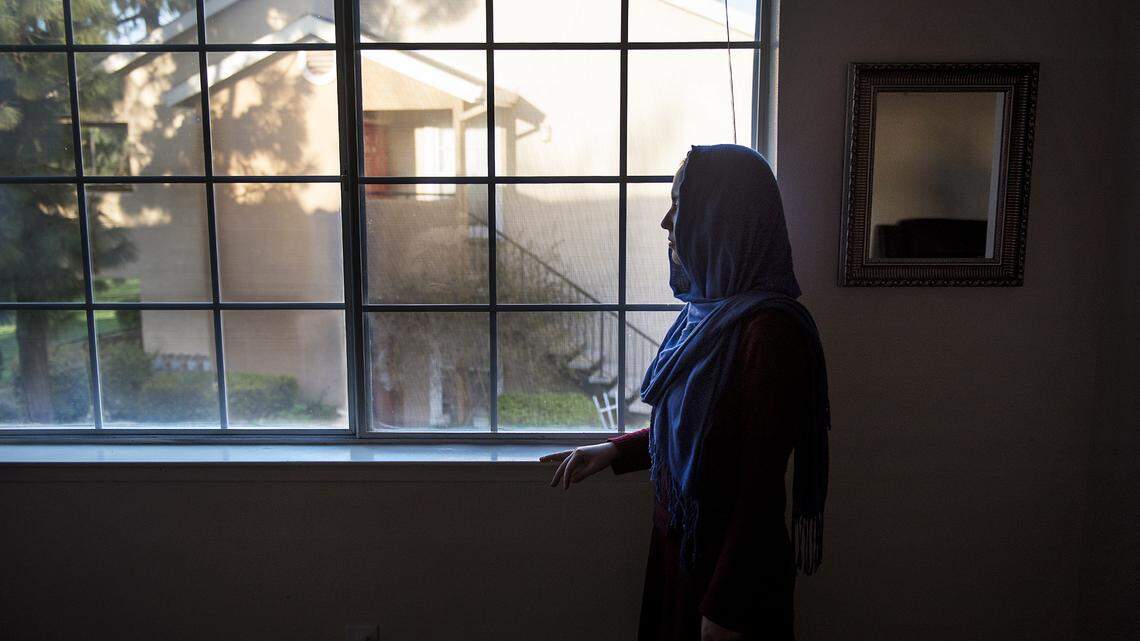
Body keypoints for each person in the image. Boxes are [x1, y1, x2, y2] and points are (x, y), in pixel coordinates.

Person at [540, 144, 831, 641]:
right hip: (685, 551)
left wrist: (724, 610)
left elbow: (756, 491)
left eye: (680, 203)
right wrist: (612, 451)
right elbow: (691, 427)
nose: (665, 221)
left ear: (725, 218)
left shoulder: (769, 333)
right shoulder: (707, 315)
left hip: (729, 580)